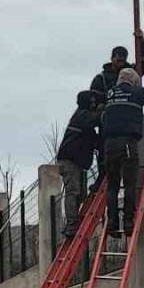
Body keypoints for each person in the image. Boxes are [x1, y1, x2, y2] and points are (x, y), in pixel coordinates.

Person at [99, 67, 144, 238]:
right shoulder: (135, 93)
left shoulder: (109, 95)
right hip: (128, 143)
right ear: (134, 81)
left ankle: (112, 224)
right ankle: (129, 222)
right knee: (130, 184)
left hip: (109, 145)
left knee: (113, 186)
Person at [56, 90, 102, 239]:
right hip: (69, 161)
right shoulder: (83, 116)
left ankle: (73, 220)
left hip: (75, 161)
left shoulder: (82, 119)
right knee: (73, 192)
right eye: (93, 102)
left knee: (79, 194)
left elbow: (95, 141)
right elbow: (98, 119)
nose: (94, 104)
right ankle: (71, 224)